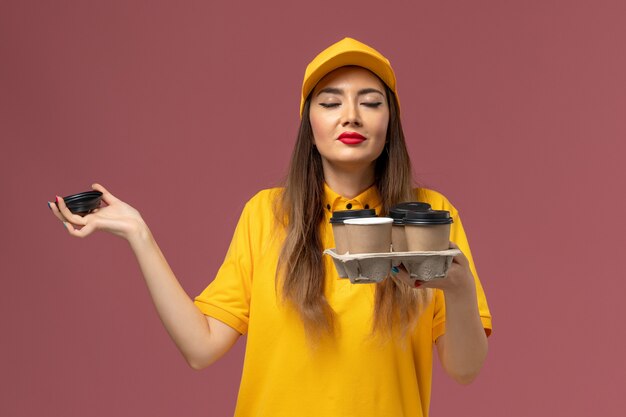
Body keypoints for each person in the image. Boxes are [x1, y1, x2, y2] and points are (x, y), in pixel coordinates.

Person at [49, 37, 492, 417]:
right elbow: (201, 347)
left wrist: (459, 288)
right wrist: (138, 233)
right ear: (309, 123)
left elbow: (466, 368)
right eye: (331, 101)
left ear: (389, 121)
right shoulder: (266, 214)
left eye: (371, 102)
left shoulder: (429, 215)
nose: (351, 115)